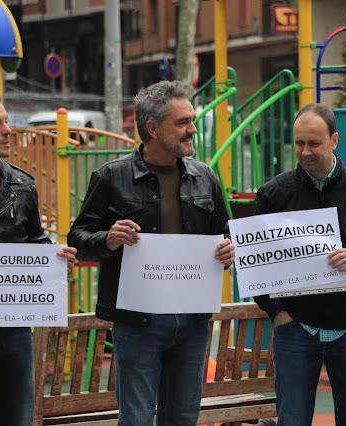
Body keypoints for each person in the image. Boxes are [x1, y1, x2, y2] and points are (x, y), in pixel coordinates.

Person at [67, 80, 235, 426]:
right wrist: (109, 238)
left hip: (193, 320)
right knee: (137, 419)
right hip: (138, 322)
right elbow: (78, 237)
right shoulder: (111, 176)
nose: (193, 129)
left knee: (184, 417)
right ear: (152, 129)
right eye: (182, 123)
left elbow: (226, 232)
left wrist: (229, 249)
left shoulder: (204, 176)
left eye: (192, 119)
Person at [253, 103, 346, 426]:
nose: (305, 151)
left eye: (314, 143)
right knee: (292, 420)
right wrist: (279, 314)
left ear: (334, 141)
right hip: (295, 329)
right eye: (299, 143)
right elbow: (256, 265)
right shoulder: (274, 194)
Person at [0, 90, 77, 426]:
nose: (7, 130)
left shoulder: (22, 185)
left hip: (12, 330)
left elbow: (36, 243)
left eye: (7, 121)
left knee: (18, 420)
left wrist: (57, 260)